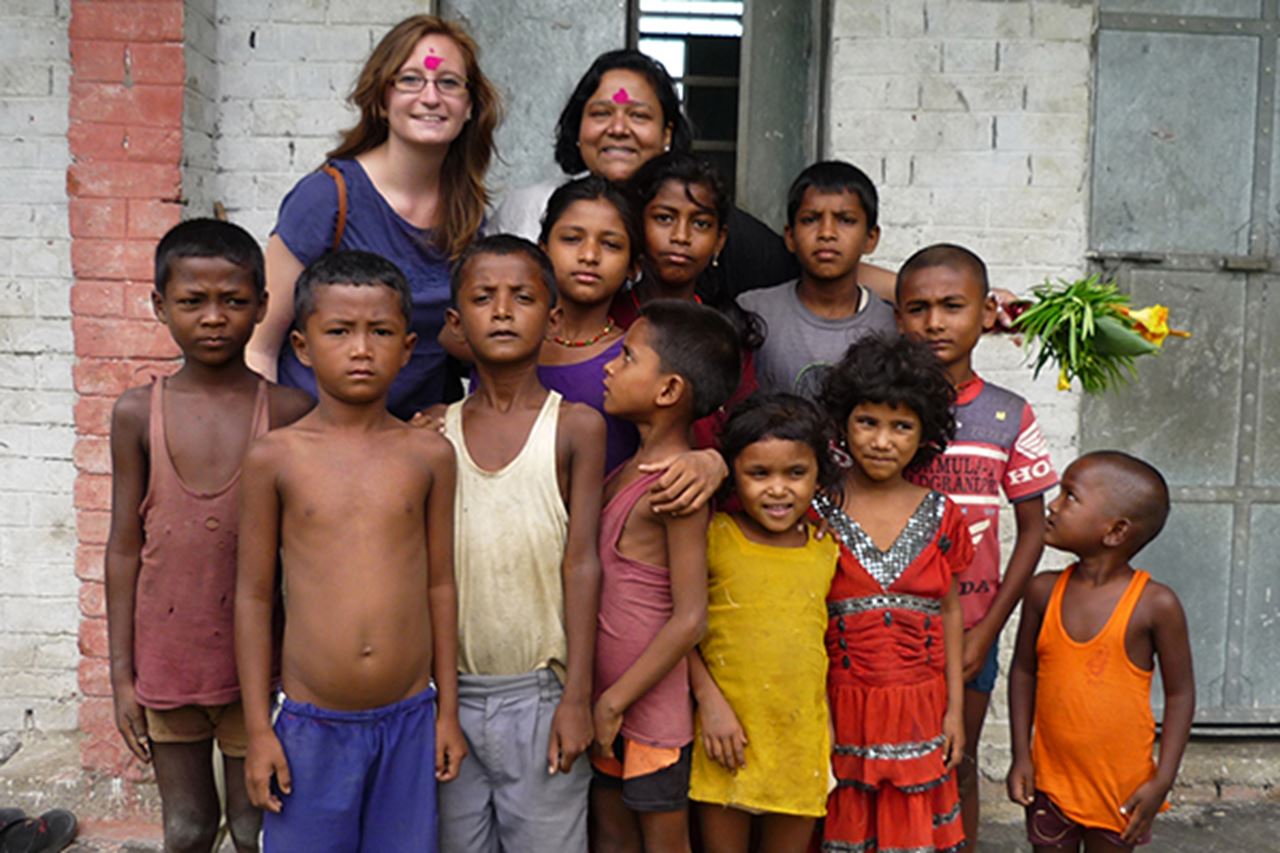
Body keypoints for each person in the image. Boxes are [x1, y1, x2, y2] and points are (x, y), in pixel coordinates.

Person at [235, 251, 466, 852]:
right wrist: (259, 730)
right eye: (339, 331)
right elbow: (254, 597)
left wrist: (447, 712)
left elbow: (441, 585)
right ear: (303, 346)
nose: (361, 349)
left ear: (408, 346)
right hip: (310, 727)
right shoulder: (275, 458)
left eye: (381, 332)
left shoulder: (428, 457)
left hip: (412, 720)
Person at [104, 219, 313, 853]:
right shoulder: (138, 414)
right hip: (169, 662)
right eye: (193, 302)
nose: (215, 317)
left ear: (263, 306)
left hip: (262, 668)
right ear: (160, 307)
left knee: (257, 828)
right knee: (189, 828)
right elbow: (123, 547)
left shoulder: (287, 413)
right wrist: (121, 676)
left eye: (234, 300)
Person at [427, 235, 606, 851]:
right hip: (448, 693)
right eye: (483, 298)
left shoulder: (576, 429)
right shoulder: (431, 432)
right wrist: (441, 705)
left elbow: (583, 564)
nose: (502, 311)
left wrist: (577, 698)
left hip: (542, 693)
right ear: (456, 322)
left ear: (552, 318)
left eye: (522, 297)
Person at [246, 15, 500, 418]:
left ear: (469, 107)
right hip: (317, 439)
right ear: (382, 100)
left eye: (448, 83)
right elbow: (259, 345)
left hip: (412, 448)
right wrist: (275, 448)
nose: (431, 97)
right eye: (410, 80)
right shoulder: (328, 197)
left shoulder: (470, 214)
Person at [487, 49, 896, 298]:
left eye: (639, 115)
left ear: (667, 133)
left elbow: (811, 270)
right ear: (578, 130)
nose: (618, 128)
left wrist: (915, 289)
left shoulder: (708, 223)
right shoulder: (531, 209)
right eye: (600, 113)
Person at [895, 242, 1059, 844]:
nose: (934, 322)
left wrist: (988, 629)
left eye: (952, 306)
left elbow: (1034, 530)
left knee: (954, 759)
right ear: (897, 316)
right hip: (883, 625)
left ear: (987, 312)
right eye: (917, 308)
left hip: (970, 626)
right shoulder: (879, 412)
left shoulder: (1007, 414)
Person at [592, 300, 742, 851]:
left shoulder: (679, 486)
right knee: (610, 836)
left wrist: (615, 701)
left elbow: (690, 618)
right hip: (607, 700)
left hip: (649, 712)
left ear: (668, 390)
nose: (610, 367)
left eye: (627, 357)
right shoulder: (625, 472)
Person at [811, 335, 971, 853]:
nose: (882, 441)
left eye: (901, 426)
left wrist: (954, 712)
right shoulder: (815, 510)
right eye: (868, 422)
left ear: (924, 433)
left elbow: (949, 609)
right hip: (840, 705)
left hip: (922, 707)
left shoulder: (943, 515)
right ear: (843, 422)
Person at [1007, 451, 1194, 852]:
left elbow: (1180, 695)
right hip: (1050, 783)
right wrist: (1021, 755)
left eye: (1070, 496)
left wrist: (1162, 780)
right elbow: (1023, 672)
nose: (1053, 506)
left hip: (1120, 791)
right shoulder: (1043, 591)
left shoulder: (1155, 605)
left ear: (1114, 531)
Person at [686, 394, 842, 852]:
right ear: (733, 473)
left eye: (796, 474)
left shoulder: (824, 549)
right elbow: (681, 629)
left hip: (797, 738)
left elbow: (822, 646)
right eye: (760, 474)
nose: (778, 489)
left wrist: (826, 726)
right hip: (724, 736)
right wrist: (708, 703)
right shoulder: (717, 537)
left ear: (819, 475)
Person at [622, 152, 764, 448]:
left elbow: (744, 438)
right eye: (664, 218)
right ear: (637, 225)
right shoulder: (611, 318)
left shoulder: (727, 332)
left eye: (700, 224)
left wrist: (712, 463)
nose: (681, 236)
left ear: (720, 240)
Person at [737, 161, 897, 399]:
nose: (826, 233)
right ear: (790, 237)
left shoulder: (890, 325)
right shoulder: (754, 310)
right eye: (810, 219)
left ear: (871, 238)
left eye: (846, 220)